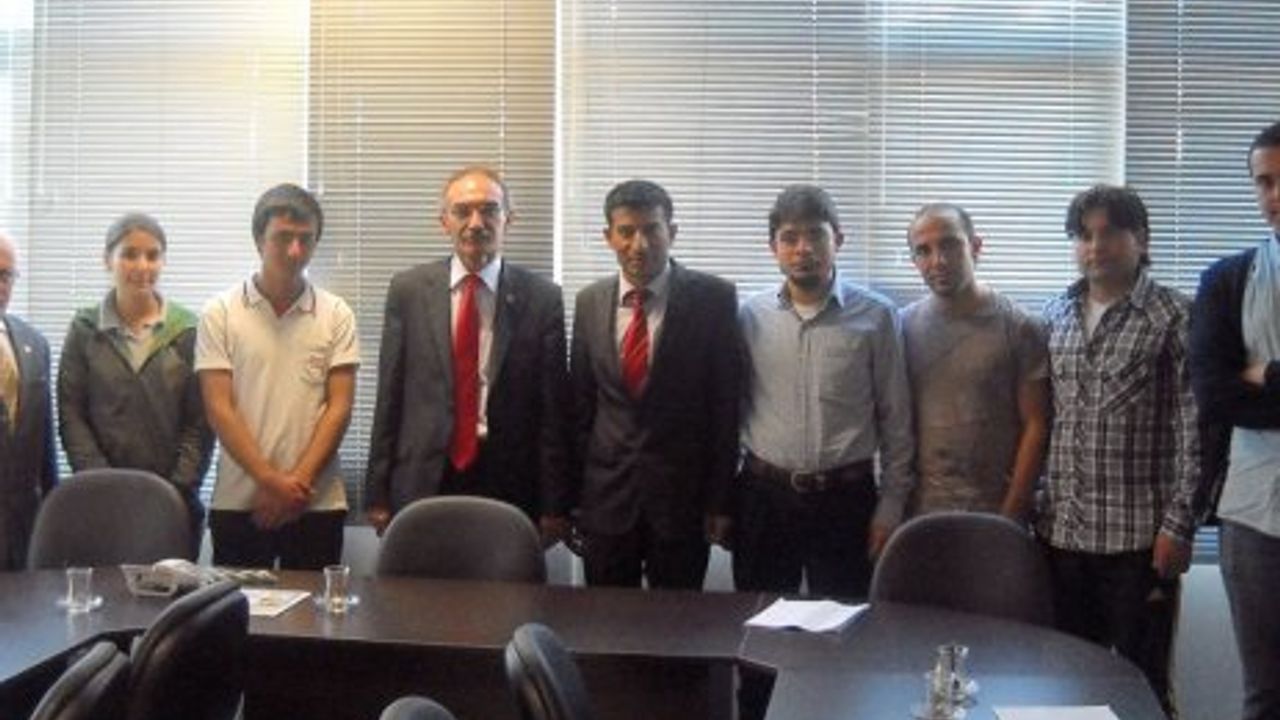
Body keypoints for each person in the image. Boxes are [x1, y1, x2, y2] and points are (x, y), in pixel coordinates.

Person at [1040, 184, 1198, 715]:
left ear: (1142, 239)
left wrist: (1179, 526)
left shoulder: (1175, 316)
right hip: (1061, 537)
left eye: (1110, 233)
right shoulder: (1056, 314)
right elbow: (1050, 422)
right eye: (1083, 235)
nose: (1095, 246)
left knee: (1142, 688)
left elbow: (1195, 430)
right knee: (1066, 685)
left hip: (1139, 544)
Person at [365, 166, 571, 541]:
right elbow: (389, 397)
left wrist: (556, 503)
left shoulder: (542, 299)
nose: (476, 223)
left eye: (489, 210)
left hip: (508, 479)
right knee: (422, 579)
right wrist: (377, 492)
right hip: (424, 476)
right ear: (444, 221)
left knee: (504, 579)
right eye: (462, 211)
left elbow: (553, 413)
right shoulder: (408, 290)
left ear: (509, 219)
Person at [734, 183, 915, 599]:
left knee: (843, 621)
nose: (804, 249)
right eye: (790, 238)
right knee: (757, 619)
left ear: (838, 240)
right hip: (764, 497)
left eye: (816, 234)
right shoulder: (750, 316)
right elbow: (731, 409)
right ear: (773, 248)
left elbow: (896, 419)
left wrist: (891, 506)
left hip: (845, 501)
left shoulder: (877, 316)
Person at [566, 179, 741, 589]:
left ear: (672, 232)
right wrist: (573, 500)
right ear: (608, 236)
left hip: (682, 502)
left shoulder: (713, 299)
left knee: (677, 622)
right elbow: (580, 408)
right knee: (606, 620)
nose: (639, 244)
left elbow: (725, 408)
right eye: (626, 232)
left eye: (651, 229)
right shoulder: (589, 302)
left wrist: (719, 502)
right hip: (606, 502)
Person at [195, 184, 360, 569]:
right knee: (238, 606)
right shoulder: (220, 312)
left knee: (316, 609)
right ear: (259, 240)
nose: (295, 251)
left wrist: (294, 485)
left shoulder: (337, 314)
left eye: (306, 239)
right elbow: (219, 408)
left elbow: (339, 408)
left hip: (315, 501)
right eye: (283, 238)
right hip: (241, 500)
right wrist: (270, 481)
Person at [57, 213, 215, 557]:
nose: (142, 265)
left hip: (173, 505)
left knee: (169, 592)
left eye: (153, 255)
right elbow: (71, 414)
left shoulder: (188, 330)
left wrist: (173, 491)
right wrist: (103, 485)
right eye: (129, 254)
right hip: (100, 504)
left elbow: (200, 423)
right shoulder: (84, 329)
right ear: (107, 260)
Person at [1190, 120, 1280, 720]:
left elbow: (1240, 388)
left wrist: (1265, 373)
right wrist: (1244, 382)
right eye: (1264, 182)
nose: (1275, 195)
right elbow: (1216, 395)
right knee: (1266, 692)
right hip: (1254, 513)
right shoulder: (1227, 280)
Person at [902, 203, 1050, 520]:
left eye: (949, 245)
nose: (938, 260)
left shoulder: (1021, 326)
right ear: (914, 261)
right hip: (918, 514)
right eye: (924, 251)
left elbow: (1036, 425)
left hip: (996, 510)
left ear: (975, 246)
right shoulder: (901, 327)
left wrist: (1011, 512)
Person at [0, 233, 56, 570]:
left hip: (24, 527)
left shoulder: (34, 343)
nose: (0, 284)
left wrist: (53, 512)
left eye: (6, 275)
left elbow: (44, 444)